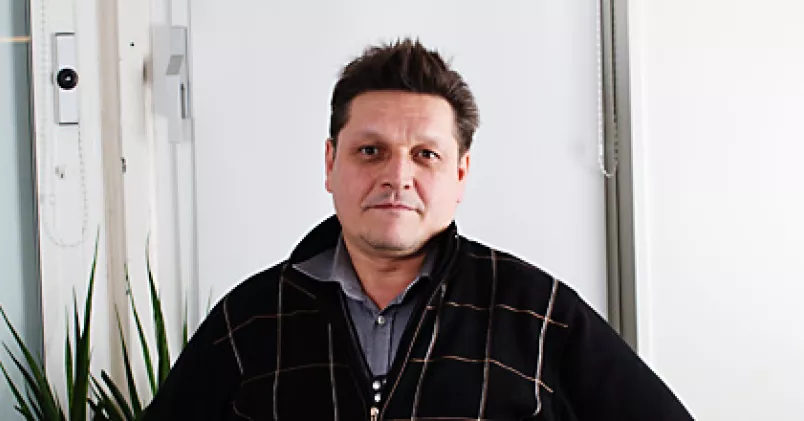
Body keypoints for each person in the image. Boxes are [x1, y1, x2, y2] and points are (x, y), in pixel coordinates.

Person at [141, 38, 693, 421]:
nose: (397, 177)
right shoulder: (250, 320)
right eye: (371, 151)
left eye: (425, 154)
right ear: (330, 163)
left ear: (460, 174)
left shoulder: (537, 313)